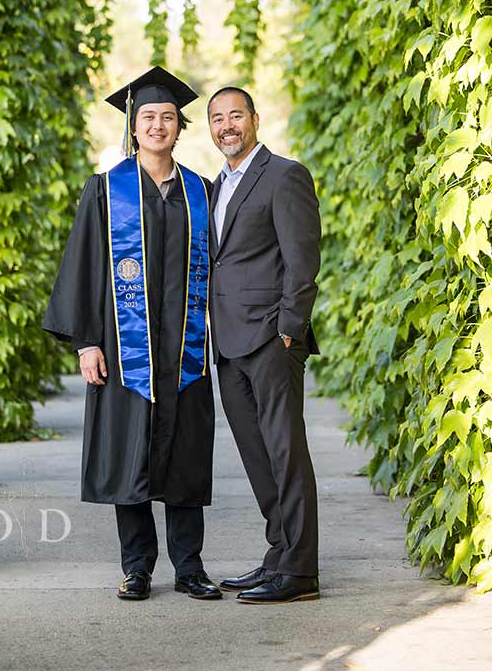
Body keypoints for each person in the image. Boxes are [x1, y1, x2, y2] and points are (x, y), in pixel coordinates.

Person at [43, 66, 220, 602]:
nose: (158, 125)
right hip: (126, 349)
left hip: (185, 351)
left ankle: (190, 568)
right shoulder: (105, 191)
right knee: (132, 459)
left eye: (168, 117)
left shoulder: (201, 192)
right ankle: (137, 567)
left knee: (186, 460)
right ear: (134, 127)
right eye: (148, 117)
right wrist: (87, 341)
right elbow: (83, 265)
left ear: (179, 127)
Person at [206, 86, 321, 604]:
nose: (227, 125)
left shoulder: (284, 175)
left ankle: (300, 572)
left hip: (273, 338)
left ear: (254, 118)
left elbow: (302, 259)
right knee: (257, 456)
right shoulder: (213, 187)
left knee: (285, 452)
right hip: (228, 344)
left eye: (235, 115)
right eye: (217, 119)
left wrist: (289, 328)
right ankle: (278, 555)